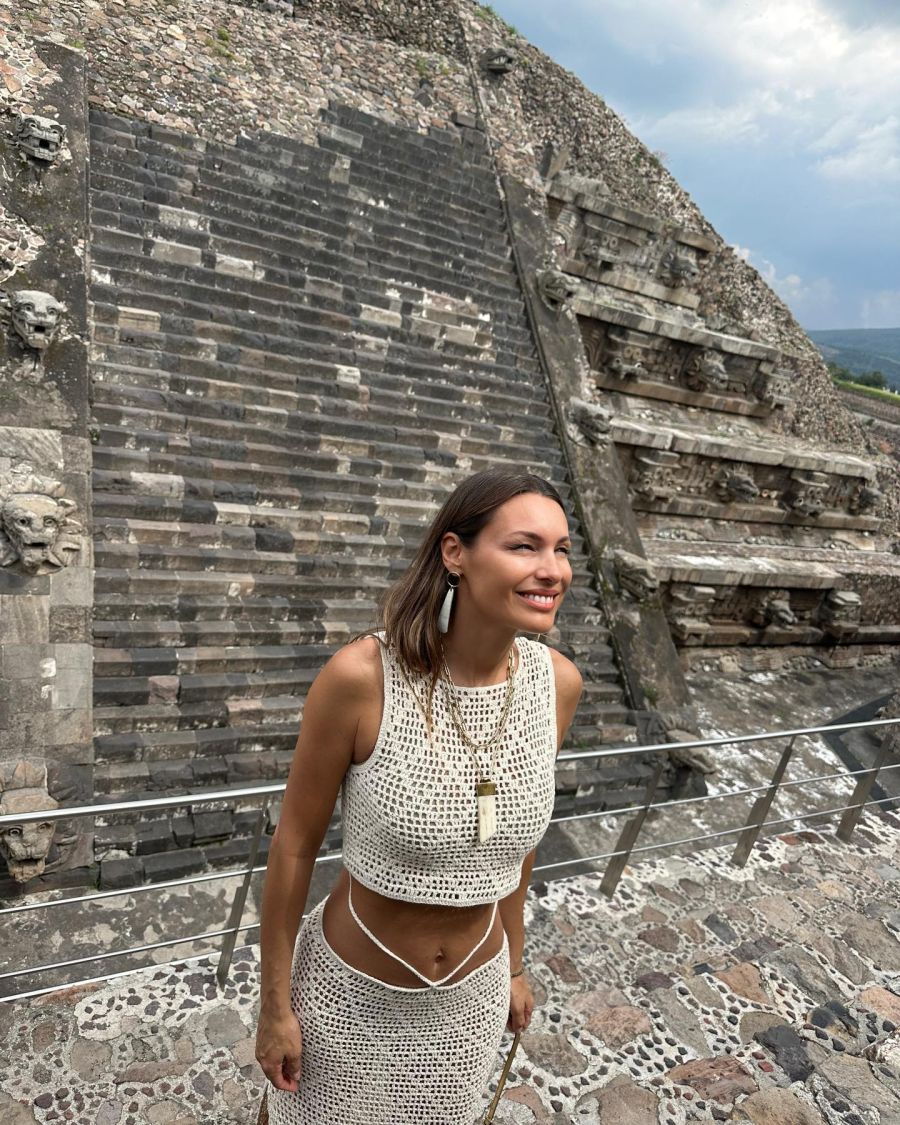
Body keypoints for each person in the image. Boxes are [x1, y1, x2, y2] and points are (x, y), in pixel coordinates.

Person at [255, 468, 583, 1125]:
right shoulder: (363, 677)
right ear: (455, 553)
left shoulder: (557, 684)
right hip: (348, 997)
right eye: (525, 546)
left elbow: (514, 854)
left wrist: (515, 967)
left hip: (471, 1000)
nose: (553, 569)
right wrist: (275, 1006)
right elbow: (293, 845)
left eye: (563, 548)